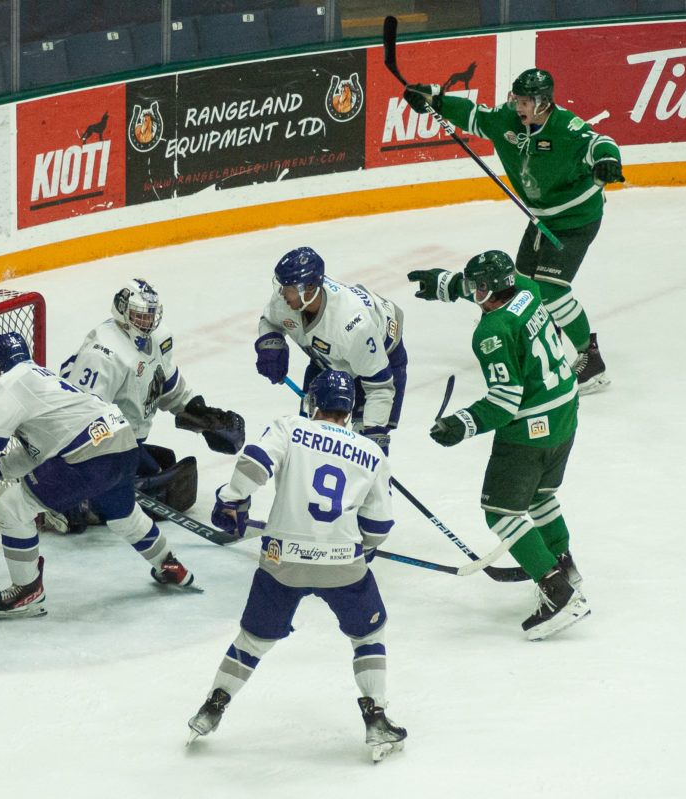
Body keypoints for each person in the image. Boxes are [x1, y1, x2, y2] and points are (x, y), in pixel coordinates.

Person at [187, 369, 406, 762]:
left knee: (252, 640)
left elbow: (253, 464)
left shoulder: (291, 428)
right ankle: (376, 715)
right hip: (343, 563)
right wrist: (363, 552)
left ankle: (213, 706)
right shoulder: (372, 453)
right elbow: (379, 525)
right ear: (349, 410)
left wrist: (231, 500)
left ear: (313, 402)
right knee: (369, 635)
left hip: (280, 559)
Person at [403, 68, 624, 394]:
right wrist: (434, 100)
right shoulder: (507, 120)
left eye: (524, 101)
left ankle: (590, 363)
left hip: (576, 218)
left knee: (550, 291)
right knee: (520, 285)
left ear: (543, 102)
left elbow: (599, 142)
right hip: (541, 218)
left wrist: (608, 161)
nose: (517, 105)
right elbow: (473, 115)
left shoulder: (565, 126)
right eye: (516, 98)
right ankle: (546, 340)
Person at [408, 250, 591, 641]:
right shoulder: (525, 287)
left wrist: (463, 423)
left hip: (530, 429)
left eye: (477, 287)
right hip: (565, 411)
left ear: (492, 287)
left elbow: (506, 403)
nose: (474, 292)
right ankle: (564, 567)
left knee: (501, 512)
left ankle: (558, 593)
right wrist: (447, 284)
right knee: (541, 497)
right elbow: (492, 287)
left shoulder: (492, 331)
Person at [0, 333, 197, 620]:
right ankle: (168, 563)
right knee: (124, 515)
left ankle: (27, 591)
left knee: (12, 507)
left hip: (87, 455)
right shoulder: (42, 379)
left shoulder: (7, 383)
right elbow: (38, 451)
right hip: (122, 441)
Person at [52, 278, 245, 531]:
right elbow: (78, 420)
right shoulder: (104, 353)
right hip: (97, 442)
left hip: (127, 438)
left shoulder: (158, 338)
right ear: (122, 311)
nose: (147, 322)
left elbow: (165, 383)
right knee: (159, 485)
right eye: (139, 316)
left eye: (150, 315)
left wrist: (200, 414)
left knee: (164, 466)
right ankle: (75, 498)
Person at [254, 246, 406, 454]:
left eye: (288, 287)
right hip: (330, 360)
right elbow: (270, 321)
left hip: (382, 360)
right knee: (310, 437)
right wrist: (271, 346)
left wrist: (372, 436)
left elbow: (379, 388)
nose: (282, 292)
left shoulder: (352, 325)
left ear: (308, 289)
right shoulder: (285, 302)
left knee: (366, 450)